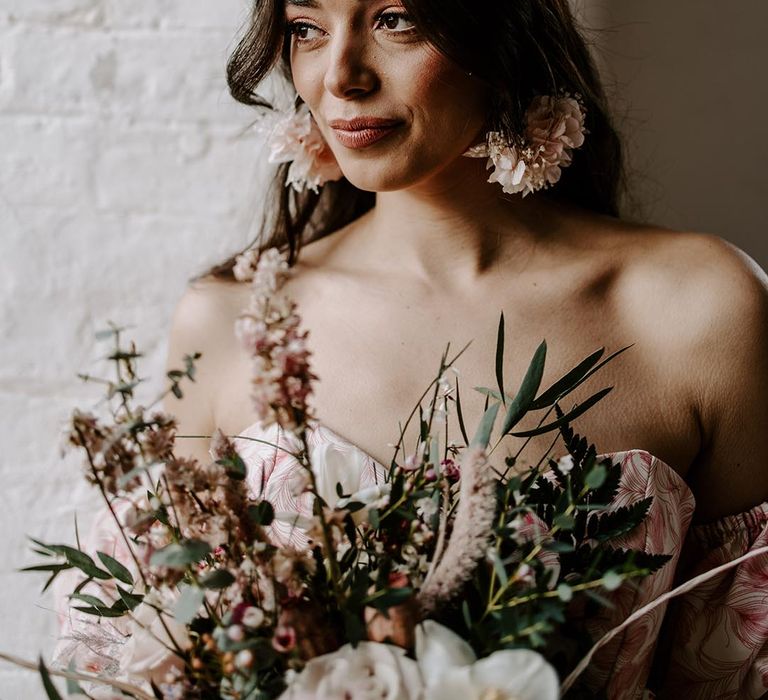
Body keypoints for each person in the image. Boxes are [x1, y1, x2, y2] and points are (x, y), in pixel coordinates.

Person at [165, 0, 768, 696]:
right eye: (307, 28)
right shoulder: (230, 323)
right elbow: (179, 656)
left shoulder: (700, 309)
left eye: (394, 19)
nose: (341, 77)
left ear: (502, 30)